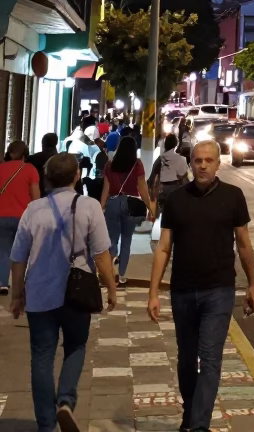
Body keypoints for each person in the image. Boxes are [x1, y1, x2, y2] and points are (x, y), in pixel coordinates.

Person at [149, 140, 254, 432]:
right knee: (186, 360)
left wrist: (252, 284)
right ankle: (190, 415)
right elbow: (163, 247)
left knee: (210, 359)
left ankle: (198, 426)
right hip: (183, 290)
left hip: (219, 290)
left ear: (218, 163)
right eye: (198, 160)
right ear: (190, 163)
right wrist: (153, 292)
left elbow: (244, 243)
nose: (203, 166)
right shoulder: (176, 200)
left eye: (209, 160)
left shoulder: (233, 197)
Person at [8, 153, 118, 432]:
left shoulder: (33, 210)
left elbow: (18, 258)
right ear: (77, 176)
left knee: (42, 356)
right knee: (76, 346)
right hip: (77, 293)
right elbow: (102, 255)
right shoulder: (90, 206)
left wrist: (17, 295)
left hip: (40, 294)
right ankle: (66, 400)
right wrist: (111, 288)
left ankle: (46, 424)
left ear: (46, 179)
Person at [99, 136, 154, 286]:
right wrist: (150, 207)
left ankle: (110, 273)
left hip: (112, 203)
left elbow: (106, 189)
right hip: (130, 204)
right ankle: (122, 275)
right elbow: (142, 187)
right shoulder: (137, 165)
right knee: (126, 240)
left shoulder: (110, 165)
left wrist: (101, 206)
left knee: (112, 240)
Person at [0, 140, 41, 294]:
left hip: (1, 216)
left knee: (3, 250)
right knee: (24, 250)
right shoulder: (30, 170)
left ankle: (2, 282)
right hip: (23, 217)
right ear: (25, 154)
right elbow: (36, 196)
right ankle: (24, 282)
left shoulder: (0, 168)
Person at [153, 135, 189, 214]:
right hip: (174, 190)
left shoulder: (160, 158)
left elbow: (154, 173)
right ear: (176, 145)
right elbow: (181, 176)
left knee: (163, 213)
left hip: (161, 189)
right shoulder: (181, 159)